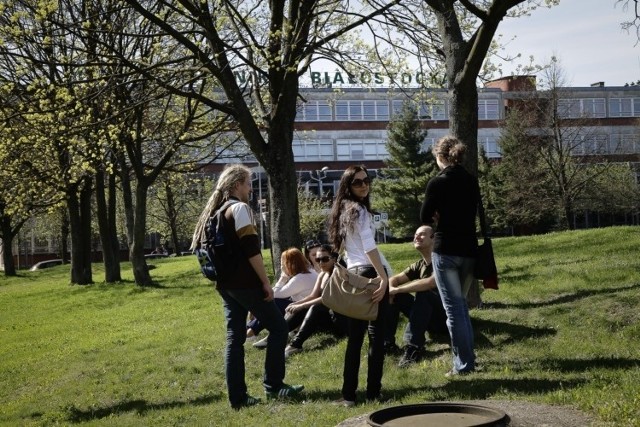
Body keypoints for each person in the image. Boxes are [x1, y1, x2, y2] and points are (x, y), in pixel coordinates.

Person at [190, 164, 303, 408]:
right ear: (236, 184)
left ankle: (238, 399)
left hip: (225, 285)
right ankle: (274, 386)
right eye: (248, 184)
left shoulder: (215, 213)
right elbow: (252, 251)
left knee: (235, 338)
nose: (250, 189)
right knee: (279, 328)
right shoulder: (239, 209)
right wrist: (265, 282)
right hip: (245, 284)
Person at [328, 165, 390, 407]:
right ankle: (373, 393)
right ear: (347, 185)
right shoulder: (360, 211)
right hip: (369, 274)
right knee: (376, 336)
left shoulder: (344, 210)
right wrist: (383, 278)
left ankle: (349, 396)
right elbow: (368, 247)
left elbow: (343, 249)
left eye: (366, 180)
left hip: (355, 275)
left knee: (356, 339)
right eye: (357, 182)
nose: (364, 185)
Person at [420, 135, 479, 377]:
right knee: (461, 307)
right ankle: (468, 359)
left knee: (453, 310)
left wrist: (437, 217)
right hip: (469, 249)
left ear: (440, 157)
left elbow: (425, 216)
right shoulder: (471, 180)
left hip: (446, 250)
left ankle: (463, 365)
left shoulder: (438, 182)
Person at [388, 225, 448, 368]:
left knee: (424, 292)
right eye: (415, 235)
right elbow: (394, 279)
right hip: (426, 316)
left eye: (421, 234)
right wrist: (391, 290)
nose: (416, 237)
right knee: (393, 295)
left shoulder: (442, 260)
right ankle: (387, 343)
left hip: (446, 320)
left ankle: (414, 347)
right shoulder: (419, 265)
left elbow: (430, 282)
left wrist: (397, 290)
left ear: (433, 239)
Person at [283, 245, 348, 357]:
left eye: (325, 259)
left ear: (334, 258)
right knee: (305, 306)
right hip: (328, 319)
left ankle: (295, 344)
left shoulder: (340, 274)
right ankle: (278, 335)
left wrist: (302, 306)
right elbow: (313, 296)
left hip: (342, 322)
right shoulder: (322, 274)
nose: (321, 263)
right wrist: (297, 304)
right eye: (318, 260)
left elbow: (327, 298)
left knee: (314, 307)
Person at [249, 248, 318, 345]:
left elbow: (273, 294)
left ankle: (252, 331)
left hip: (302, 313)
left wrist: (282, 278)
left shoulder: (300, 278)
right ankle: (251, 329)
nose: (282, 267)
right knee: (276, 301)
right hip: (305, 309)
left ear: (290, 264)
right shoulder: (310, 272)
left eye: (283, 265)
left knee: (275, 302)